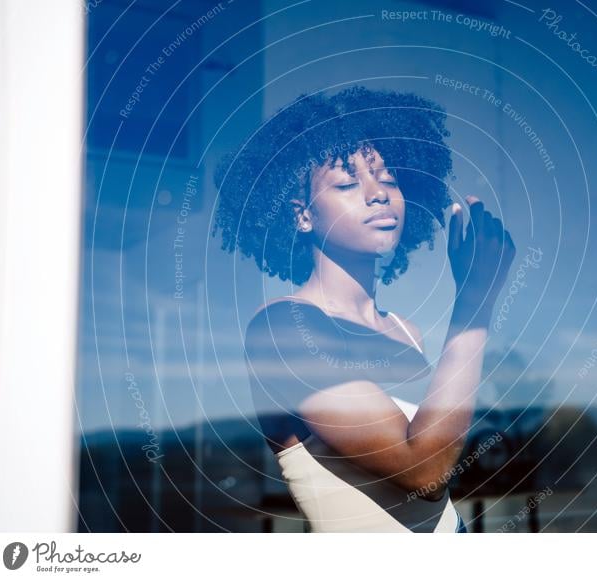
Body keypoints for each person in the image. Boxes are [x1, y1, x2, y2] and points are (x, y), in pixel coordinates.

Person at [213, 86, 515, 532]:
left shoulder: (406, 331)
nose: (378, 194)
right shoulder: (281, 328)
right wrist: (474, 300)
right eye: (349, 182)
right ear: (302, 215)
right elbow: (425, 472)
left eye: (389, 179)